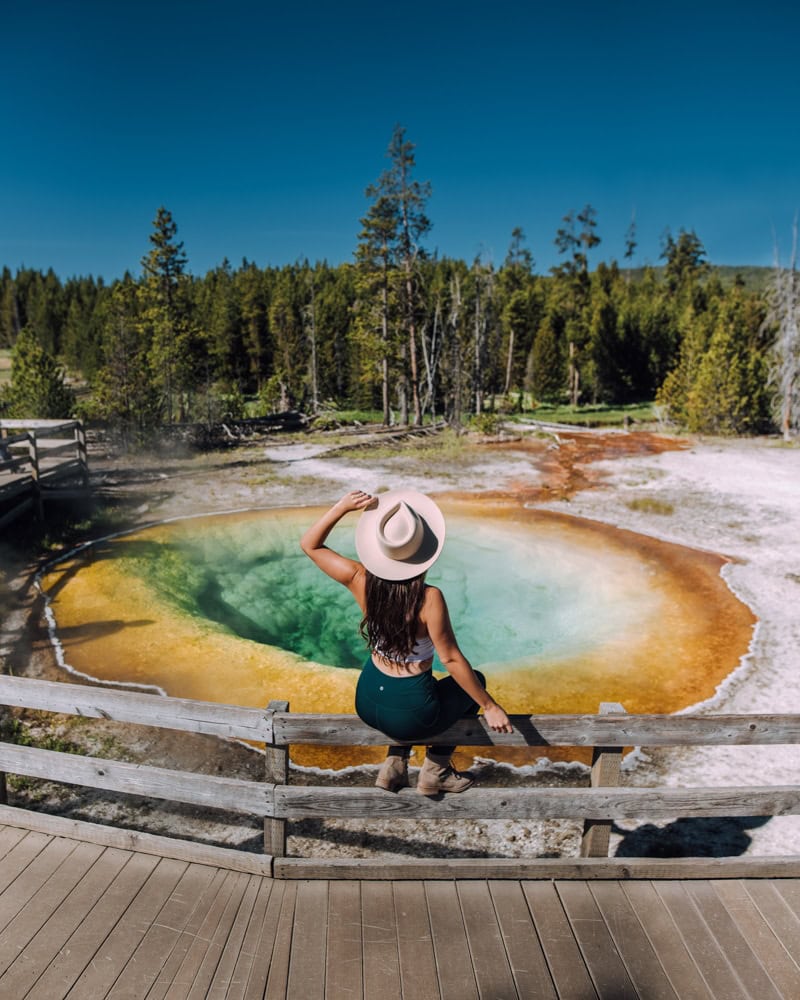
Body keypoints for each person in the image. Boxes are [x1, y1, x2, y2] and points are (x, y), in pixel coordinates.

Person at [300, 488, 512, 795]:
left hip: (368, 698)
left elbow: (310, 544)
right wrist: (490, 706)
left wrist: (342, 507)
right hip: (408, 713)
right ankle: (435, 772)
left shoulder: (359, 579)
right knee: (474, 681)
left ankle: (394, 765)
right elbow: (451, 659)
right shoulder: (429, 599)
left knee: (411, 698)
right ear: (424, 552)